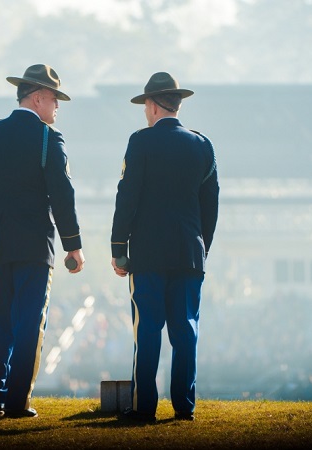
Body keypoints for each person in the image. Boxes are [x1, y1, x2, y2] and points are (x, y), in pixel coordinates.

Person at [0, 64, 85, 418]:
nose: (57, 107)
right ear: (37, 98)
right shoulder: (50, 139)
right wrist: (73, 245)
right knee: (29, 323)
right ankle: (17, 402)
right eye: (54, 99)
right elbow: (62, 195)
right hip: (35, 246)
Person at [110, 72, 219, 422]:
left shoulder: (140, 142)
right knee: (186, 330)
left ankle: (144, 408)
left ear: (152, 105)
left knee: (148, 330)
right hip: (189, 252)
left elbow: (126, 198)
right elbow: (210, 205)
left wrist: (118, 246)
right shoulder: (202, 145)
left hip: (148, 254)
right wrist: (202, 248)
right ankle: (184, 407)